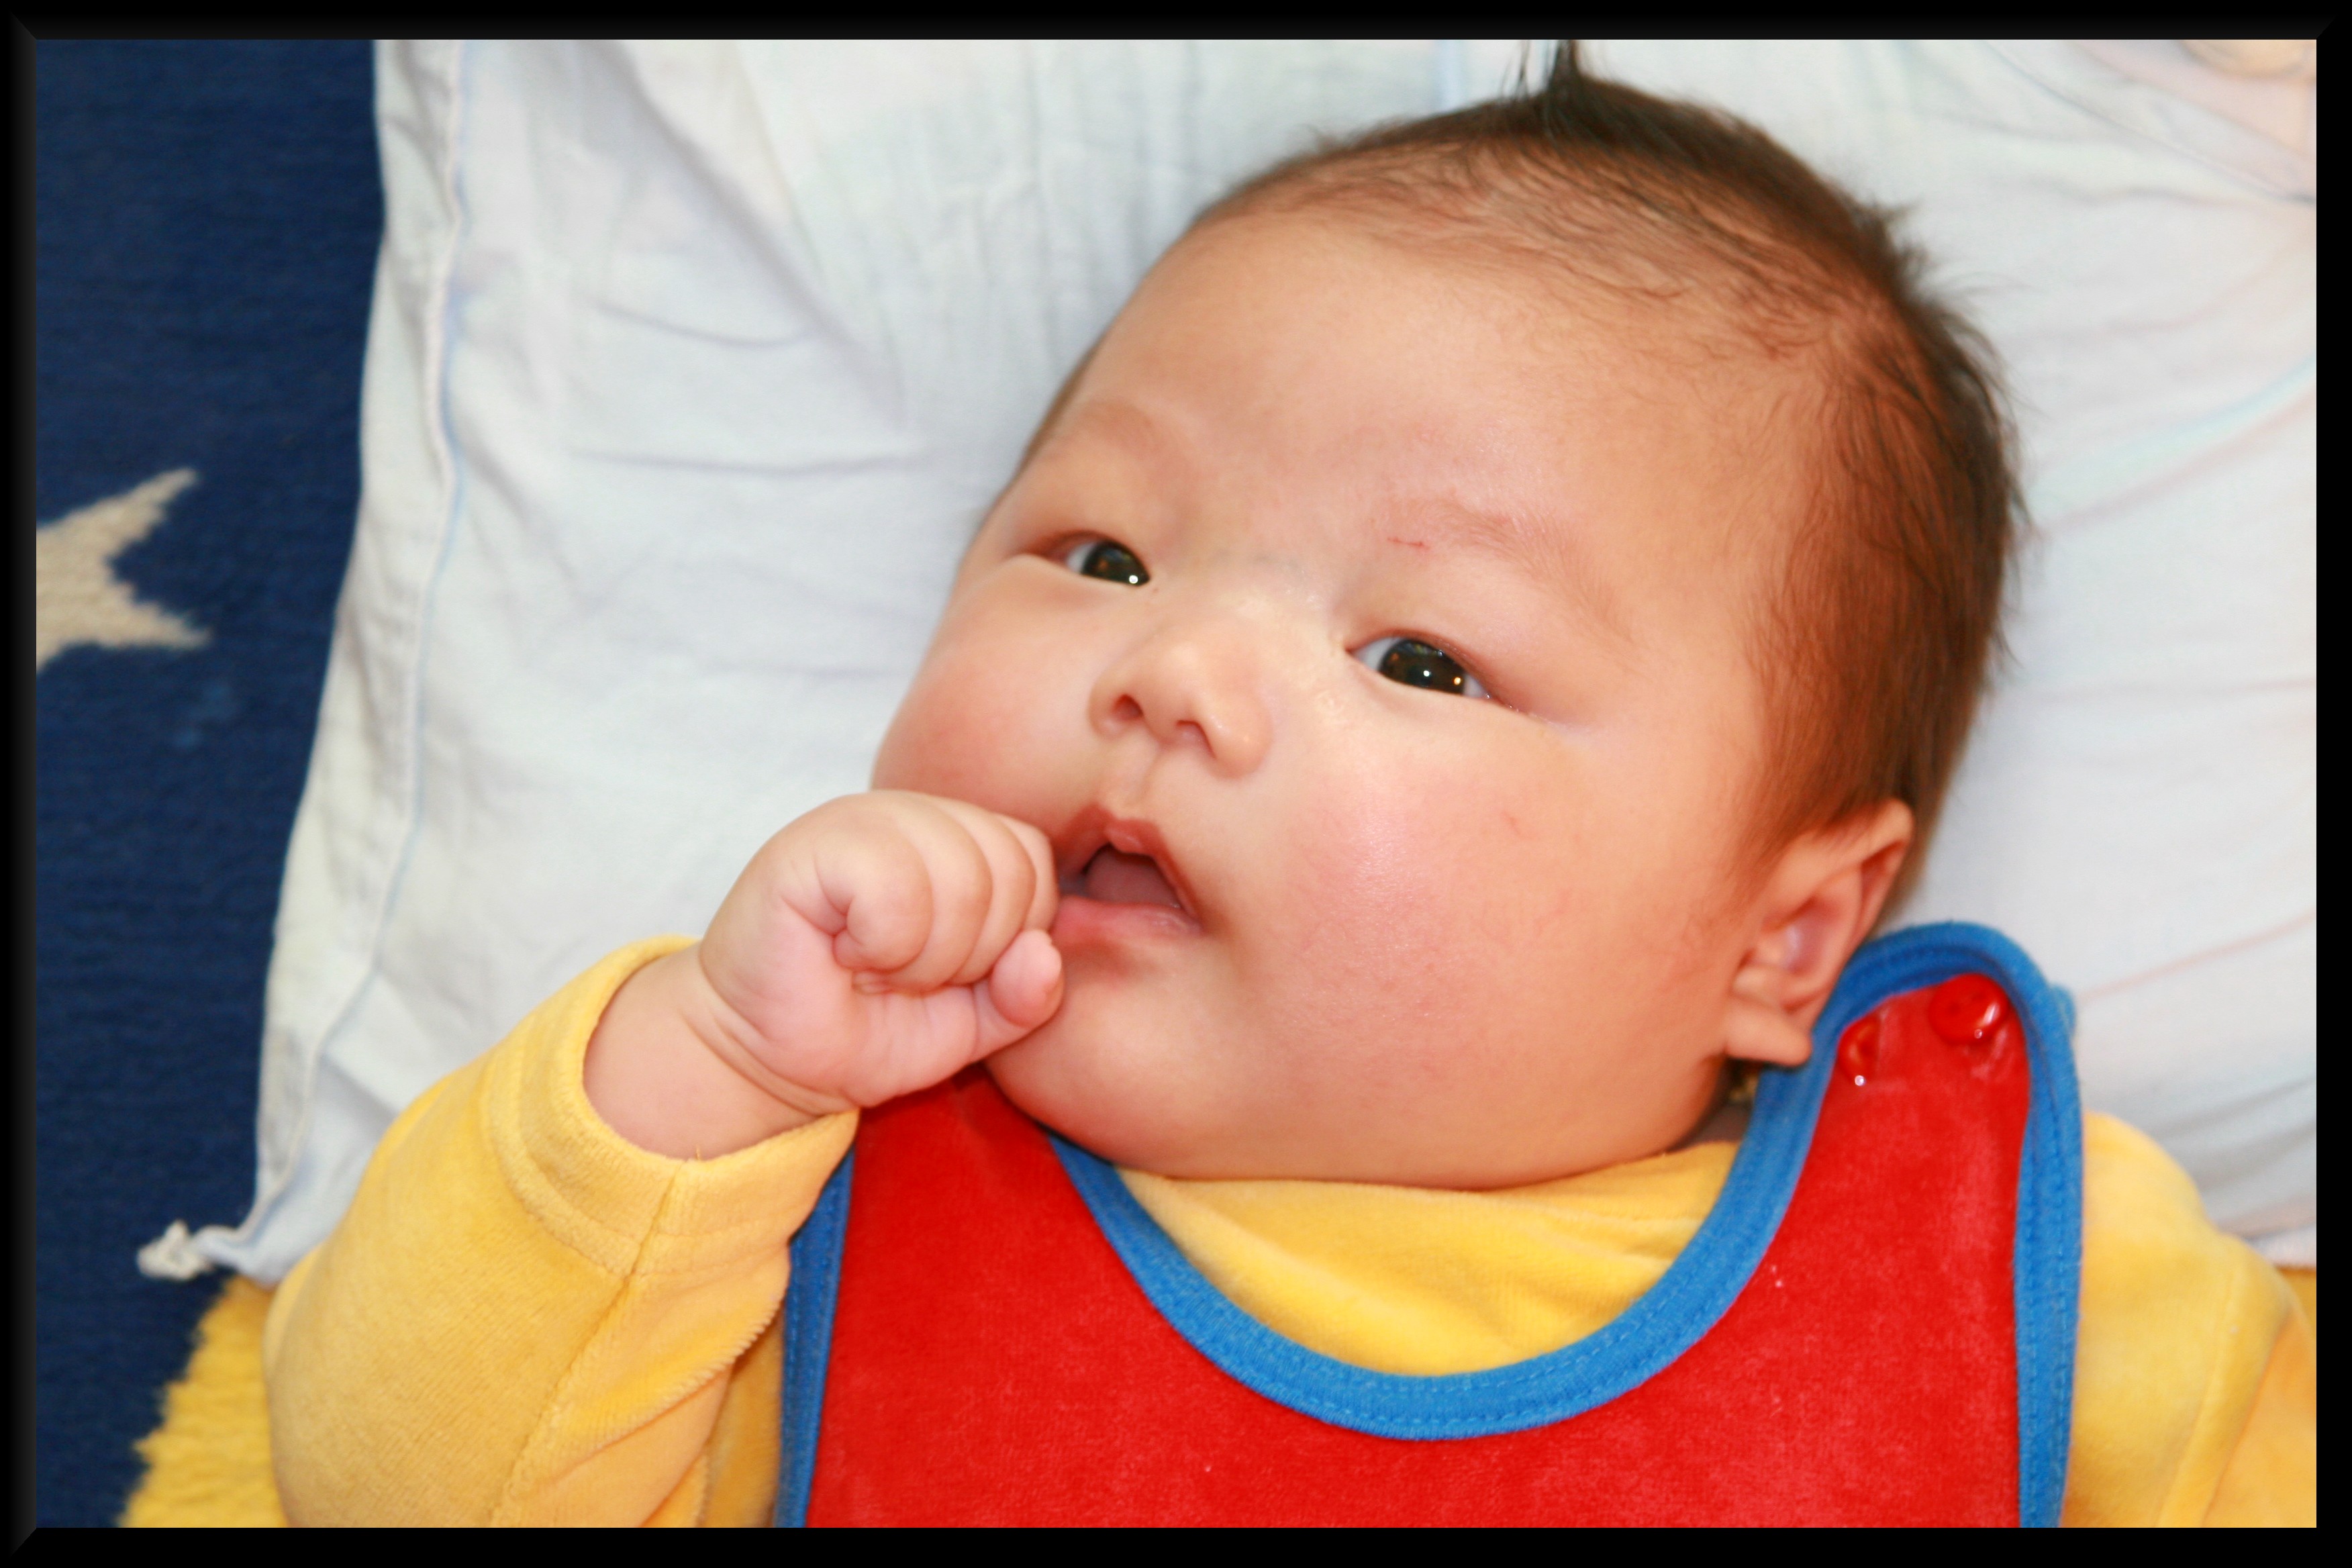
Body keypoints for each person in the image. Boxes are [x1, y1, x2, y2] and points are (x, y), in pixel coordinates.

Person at [260, 46, 2314, 1525]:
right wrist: (702, 1070)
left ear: (1786, 937)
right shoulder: (786, 1204)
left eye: (1420, 658)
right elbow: (379, 1483)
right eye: (1101, 557)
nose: (1171, 673)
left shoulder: (2014, 1264)